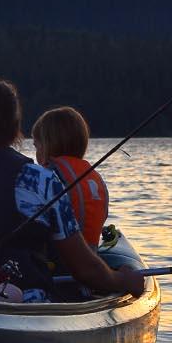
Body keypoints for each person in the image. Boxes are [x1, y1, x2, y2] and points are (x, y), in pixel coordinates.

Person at [0, 78, 150, 299]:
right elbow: (85, 269)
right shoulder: (36, 178)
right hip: (22, 299)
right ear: (14, 124)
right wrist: (123, 280)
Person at [31, 106, 109, 249]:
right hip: (90, 257)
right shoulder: (95, 178)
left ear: (48, 145)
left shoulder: (48, 177)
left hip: (57, 261)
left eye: (36, 146)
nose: (36, 154)